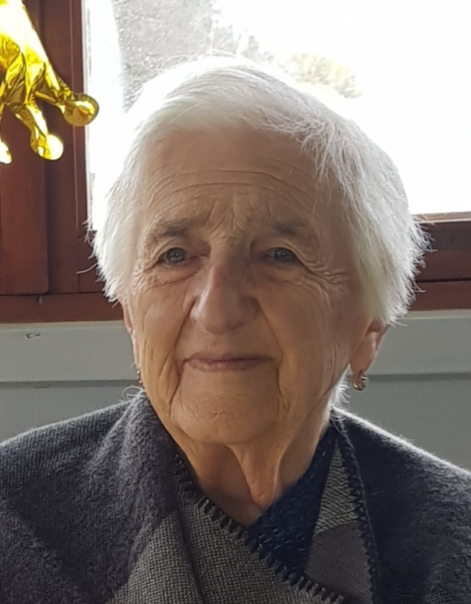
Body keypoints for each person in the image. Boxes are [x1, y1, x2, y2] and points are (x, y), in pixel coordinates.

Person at [1, 59, 470, 604]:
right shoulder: (14, 518)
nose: (217, 309)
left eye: (280, 255)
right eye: (174, 256)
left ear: (369, 326)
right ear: (130, 312)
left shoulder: (453, 543)